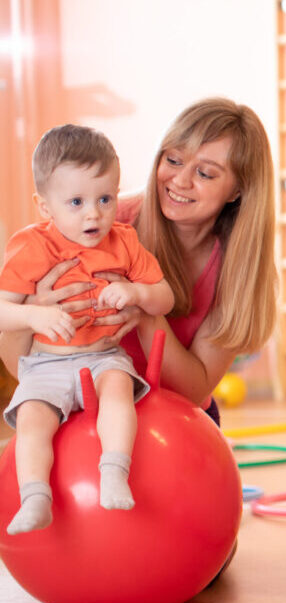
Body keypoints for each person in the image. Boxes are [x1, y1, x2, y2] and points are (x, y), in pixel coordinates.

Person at [0, 98, 279, 427]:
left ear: (238, 191)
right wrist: (34, 313)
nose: (180, 181)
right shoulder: (96, 224)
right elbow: (18, 364)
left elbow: (192, 390)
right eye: (173, 160)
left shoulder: (238, 266)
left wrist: (146, 311)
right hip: (80, 414)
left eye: (204, 173)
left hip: (178, 423)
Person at [0, 124, 175, 534]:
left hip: (102, 356)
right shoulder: (30, 246)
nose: (93, 213)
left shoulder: (125, 241)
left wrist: (135, 292)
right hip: (46, 365)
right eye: (76, 202)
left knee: (118, 390)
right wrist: (33, 316)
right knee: (31, 420)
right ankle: (35, 496)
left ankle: (114, 471)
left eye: (105, 198)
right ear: (45, 207)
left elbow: (163, 297)